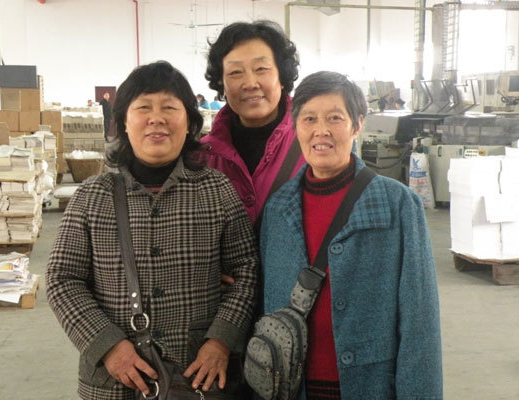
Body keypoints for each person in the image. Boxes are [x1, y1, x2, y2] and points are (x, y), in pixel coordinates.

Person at [46, 61, 259, 400]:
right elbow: (62, 279)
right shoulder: (91, 196)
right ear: (124, 122)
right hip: (113, 384)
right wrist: (107, 345)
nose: (156, 118)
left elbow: (246, 269)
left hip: (197, 377)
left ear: (189, 123)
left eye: (169, 108)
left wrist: (221, 340)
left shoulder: (217, 190)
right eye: (143, 107)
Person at [259, 71, 443, 399]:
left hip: (370, 387)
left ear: (357, 125)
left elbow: (420, 322)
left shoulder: (398, 205)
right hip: (292, 388)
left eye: (334, 118)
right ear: (295, 127)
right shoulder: (277, 209)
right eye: (309, 119)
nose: (321, 130)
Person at [201, 20, 304, 225]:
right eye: (235, 72)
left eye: (261, 68)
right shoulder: (203, 156)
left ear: (282, 77)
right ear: (222, 83)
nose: (250, 84)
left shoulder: (312, 141)